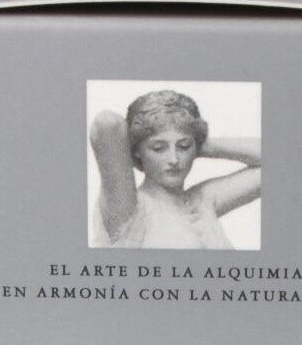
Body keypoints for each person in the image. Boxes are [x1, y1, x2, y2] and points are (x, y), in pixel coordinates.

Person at [90, 89, 261, 249]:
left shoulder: (203, 199)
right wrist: (135, 142)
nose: (174, 159)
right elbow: (107, 123)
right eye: (158, 148)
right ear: (137, 151)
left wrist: (199, 142)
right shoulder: (129, 209)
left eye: (183, 146)